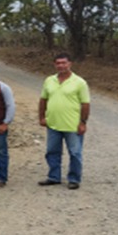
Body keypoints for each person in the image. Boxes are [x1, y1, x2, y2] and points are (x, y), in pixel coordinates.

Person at [38, 52, 90, 190]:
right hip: (53, 124)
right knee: (52, 152)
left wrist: (83, 122)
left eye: (64, 63)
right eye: (58, 63)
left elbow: (85, 104)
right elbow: (43, 100)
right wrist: (42, 117)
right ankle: (53, 177)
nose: (61, 65)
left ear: (70, 64)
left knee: (75, 153)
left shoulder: (79, 82)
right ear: (54, 64)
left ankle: (74, 179)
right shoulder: (49, 80)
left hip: (72, 125)